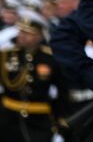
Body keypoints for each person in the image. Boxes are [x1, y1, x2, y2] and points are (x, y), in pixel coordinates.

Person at [0, 9, 61, 141]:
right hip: (8, 119)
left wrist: (60, 124)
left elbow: (62, 92)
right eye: (21, 31)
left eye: (28, 33)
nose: (22, 36)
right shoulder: (6, 55)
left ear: (39, 36)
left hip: (38, 120)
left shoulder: (49, 58)